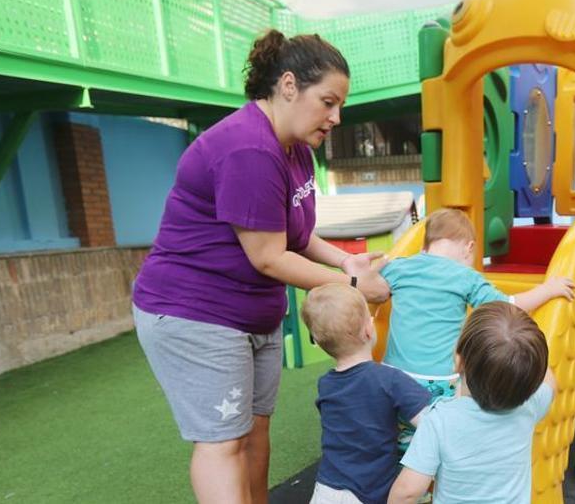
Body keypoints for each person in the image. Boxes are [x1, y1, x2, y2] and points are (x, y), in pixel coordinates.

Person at [131, 29, 390, 504]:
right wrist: (353, 282)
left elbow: (295, 234)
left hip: (252, 314)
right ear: (289, 85)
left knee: (254, 434)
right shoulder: (248, 148)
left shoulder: (296, 151)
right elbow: (268, 257)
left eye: (340, 106)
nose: (336, 117)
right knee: (224, 441)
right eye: (328, 102)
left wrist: (343, 258)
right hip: (194, 311)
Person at [380, 208, 573, 402]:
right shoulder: (465, 277)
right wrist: (548, 289)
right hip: (439, 380)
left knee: (401, 421)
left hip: (392, 374)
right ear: (468, 248)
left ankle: (405, 432)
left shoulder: (399, 267)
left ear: (426, 245)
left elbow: (371, 283)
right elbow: (510, 305)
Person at [388, 302, 557, 504]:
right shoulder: (530, 406)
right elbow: (550, 381)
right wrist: (527, 360)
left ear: (459, 362)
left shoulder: (440, 420)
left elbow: (407, 491)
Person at [300, 284, 431, 504]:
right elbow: (430, 422)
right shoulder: (390, 379)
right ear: (369, 331)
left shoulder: (326, 384)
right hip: (368, 492)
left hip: (326, 489)